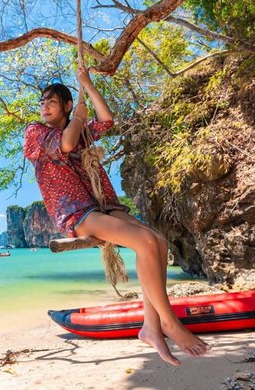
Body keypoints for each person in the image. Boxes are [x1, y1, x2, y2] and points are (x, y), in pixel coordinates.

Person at [23, 67, 211, 366]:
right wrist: (79, 117)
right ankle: (169, 323)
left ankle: (151, 327)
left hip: (104, 205)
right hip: (76, 211)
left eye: (52, 102)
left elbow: (107, 119)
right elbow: (66, 144)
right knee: (145, 241)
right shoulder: (36, 131)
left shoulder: (80, 130)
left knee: (159, 242)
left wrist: (87, 85)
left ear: (67, 105)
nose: (44, 106)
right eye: (43, 102)